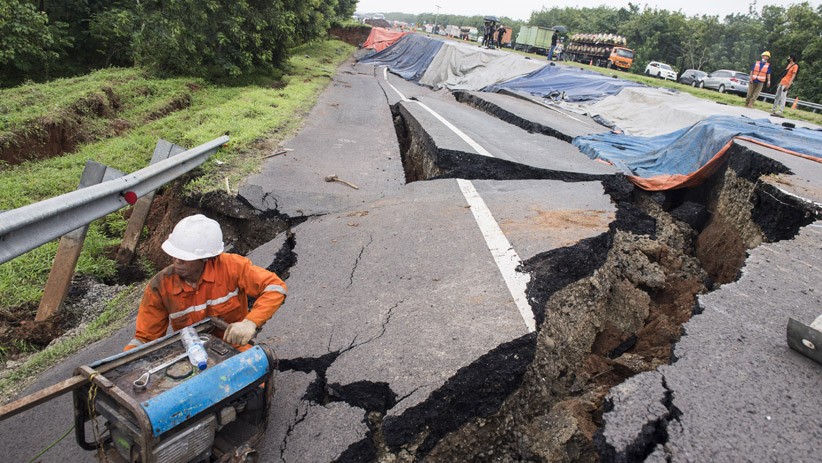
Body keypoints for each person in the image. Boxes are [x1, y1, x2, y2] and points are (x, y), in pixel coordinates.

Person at [125, 214, 287, 351]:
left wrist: (250, 323)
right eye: (175, 255)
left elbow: (275, 287)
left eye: (184, 258)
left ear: (206, 258)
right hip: (192, 353)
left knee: (258, 382)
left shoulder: (232, 267)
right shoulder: (160, 286)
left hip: (233, 346)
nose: (176, 261)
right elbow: (145, 339)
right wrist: (124, 362)